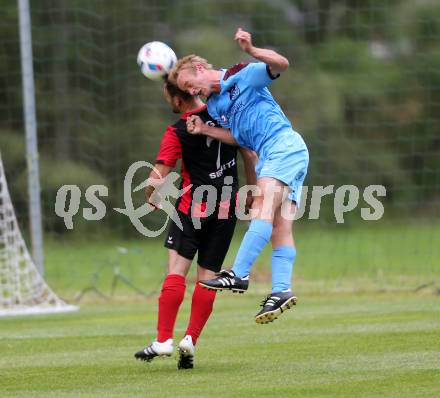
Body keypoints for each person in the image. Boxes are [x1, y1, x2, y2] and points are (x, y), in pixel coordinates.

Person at [169, 28, 309, 324]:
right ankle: (282, 290)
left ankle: (239, 273)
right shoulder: (217, 106)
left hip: (283, 146)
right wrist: (205, 130)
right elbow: (238, 136)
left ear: (199, 69)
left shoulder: (241, 75)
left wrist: (252, 50)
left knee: (261, 210)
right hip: (276, 155)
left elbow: (281, 64)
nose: (191, 92)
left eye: (189, 84)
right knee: (279, 227)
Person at [134, 78, 257, 368]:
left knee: (176, 271)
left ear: (177, 101)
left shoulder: (177, 130)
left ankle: (163, 340)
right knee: (209, 276)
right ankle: (190, 339)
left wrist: (151, 194)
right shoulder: (226, 117)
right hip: (226, 209)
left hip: (193, 207)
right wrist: (253, 190)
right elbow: (249, 152)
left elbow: (160, 172)